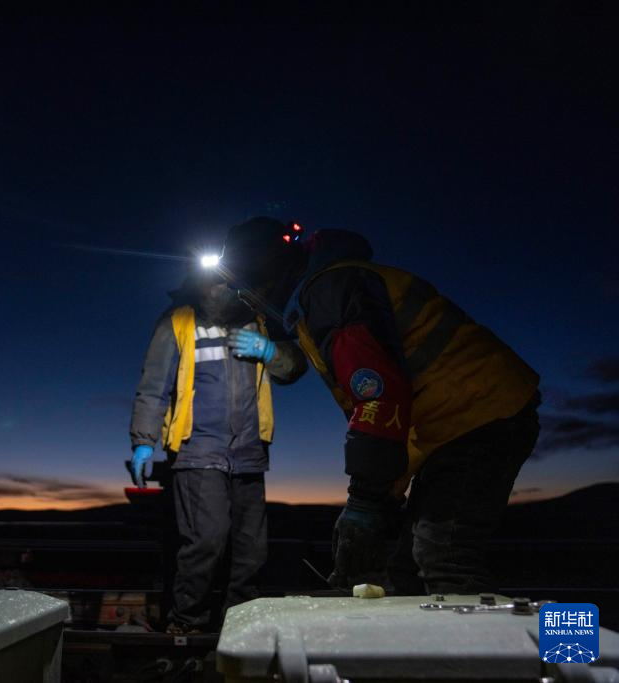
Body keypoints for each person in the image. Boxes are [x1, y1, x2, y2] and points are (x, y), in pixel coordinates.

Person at [220, 217, 540, 594]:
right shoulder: (323, 297)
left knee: (444, 557)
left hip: (480, 411)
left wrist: (365, 500)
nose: (244, 298)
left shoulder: (332, 290)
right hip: (457, 419)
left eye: (246, 285)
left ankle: (484, 634)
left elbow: (379, 394)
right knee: (406, 568)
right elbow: (390, 410)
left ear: (270, 268)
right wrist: (383, 497)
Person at [129, 267, 306, 633]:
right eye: (216, 280)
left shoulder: (259, 320)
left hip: (249, 451)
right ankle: (187, 622)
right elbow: (154, 386)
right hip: (197, 450)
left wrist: (271, 350)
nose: (223, 287)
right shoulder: (178, 321)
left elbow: (294, 366)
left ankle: (241, 623)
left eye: (230, 280)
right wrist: (144, 442)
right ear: (198, 283)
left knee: (251, 548)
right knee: (206, 539)